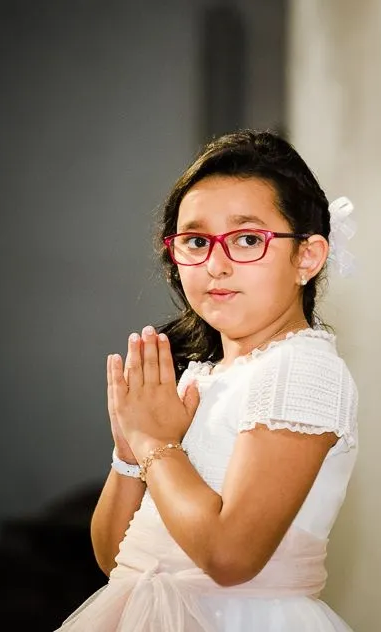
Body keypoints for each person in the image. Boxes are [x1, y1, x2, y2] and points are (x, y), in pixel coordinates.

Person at [58, 130, 360, 631]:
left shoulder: (302, 368)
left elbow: (230, 556)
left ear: (307, 256)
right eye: (197, 242)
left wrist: (155, 443)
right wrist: (130, 453)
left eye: (247, 240)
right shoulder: (199, 374)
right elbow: (117, 560)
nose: (216, 266)